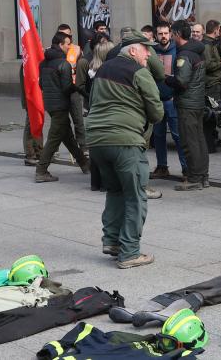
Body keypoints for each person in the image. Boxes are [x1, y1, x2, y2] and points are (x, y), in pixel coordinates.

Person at [86, 32, 164, 268]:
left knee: (115, 191)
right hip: (125, 141)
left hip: (97, 141)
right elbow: (157, 111)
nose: (149, 54)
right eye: (145, 49)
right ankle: (129, 252)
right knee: (135, 195)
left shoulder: (101, 71)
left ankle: (111, 241)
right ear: (132, 51)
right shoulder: (139, 72)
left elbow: (91, 103)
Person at [36, 33, 90, 183]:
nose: (69, 47)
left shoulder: (43, 63)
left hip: (50, 104)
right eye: (67, 44)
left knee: (67, 136)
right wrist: (78, 89)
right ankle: (41, 170)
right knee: (54, 139)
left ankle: (85, 164)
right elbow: (66, 88)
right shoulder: (63, 63)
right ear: (60, 45)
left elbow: (41, 85)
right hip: (61, 104)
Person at [167, 21, 209, 190]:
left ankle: (194, 178)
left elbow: (182, 82)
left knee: (189, 141)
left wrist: (166, 78)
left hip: (187, 104)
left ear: (177, 34)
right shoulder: (197, 51)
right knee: (199, 140)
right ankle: (203, 175)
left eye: (171, 33)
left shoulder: (184, 55)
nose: (170, 36)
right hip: (197, 102)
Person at [149, 22, 185, 180]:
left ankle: (186, 169)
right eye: (160, 33)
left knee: (178, 135)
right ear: (156, 35)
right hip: (156, 100)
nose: (163, 36)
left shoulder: (178, 50)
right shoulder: (151, 51)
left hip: (172, 100)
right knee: (158, 136)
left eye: (165, 33)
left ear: (170, 33)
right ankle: (162, 166)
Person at [57, 23, 89, 156]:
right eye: (63, 34)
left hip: (74, 88)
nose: (67, 37)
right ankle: (55, 148)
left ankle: (83, 146)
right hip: (60, 89)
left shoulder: (76, 49)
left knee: (78, 119)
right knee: (59, 121)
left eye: (68, 34)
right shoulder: (54, 49)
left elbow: (82, 65)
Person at [201, 20, 221, 151]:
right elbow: (208, 65)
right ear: (216, 30)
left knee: (215, 114)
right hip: (211, 84)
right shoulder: (207, 45)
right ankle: (209, 144)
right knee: (211, 114)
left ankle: (212, 140)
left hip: (215, 82)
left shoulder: (211, 43)